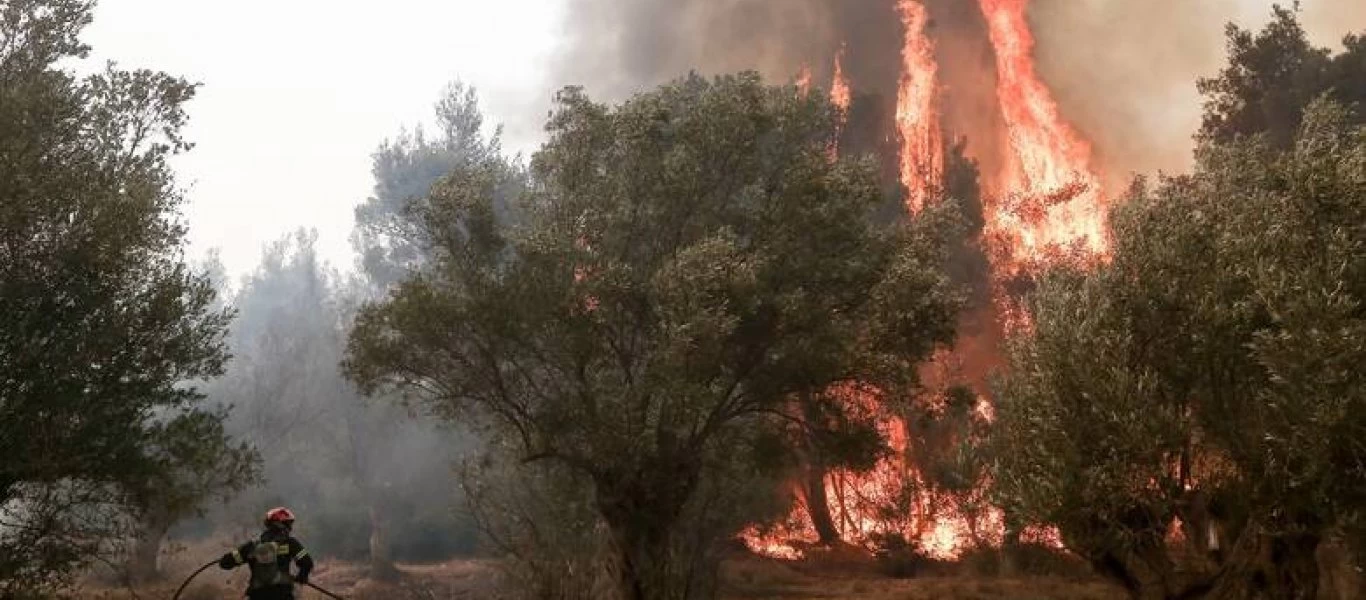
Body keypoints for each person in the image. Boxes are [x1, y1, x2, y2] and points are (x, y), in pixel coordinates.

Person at [218, 507, 314, 599]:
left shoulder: (252, 545)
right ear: (282, 525)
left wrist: (225, 558)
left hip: (258, 595)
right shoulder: (290, 543)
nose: (290, 527)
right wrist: (301, 577)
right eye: (288, 524)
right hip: (282, 594)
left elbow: (225, 563)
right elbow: (307, 563)